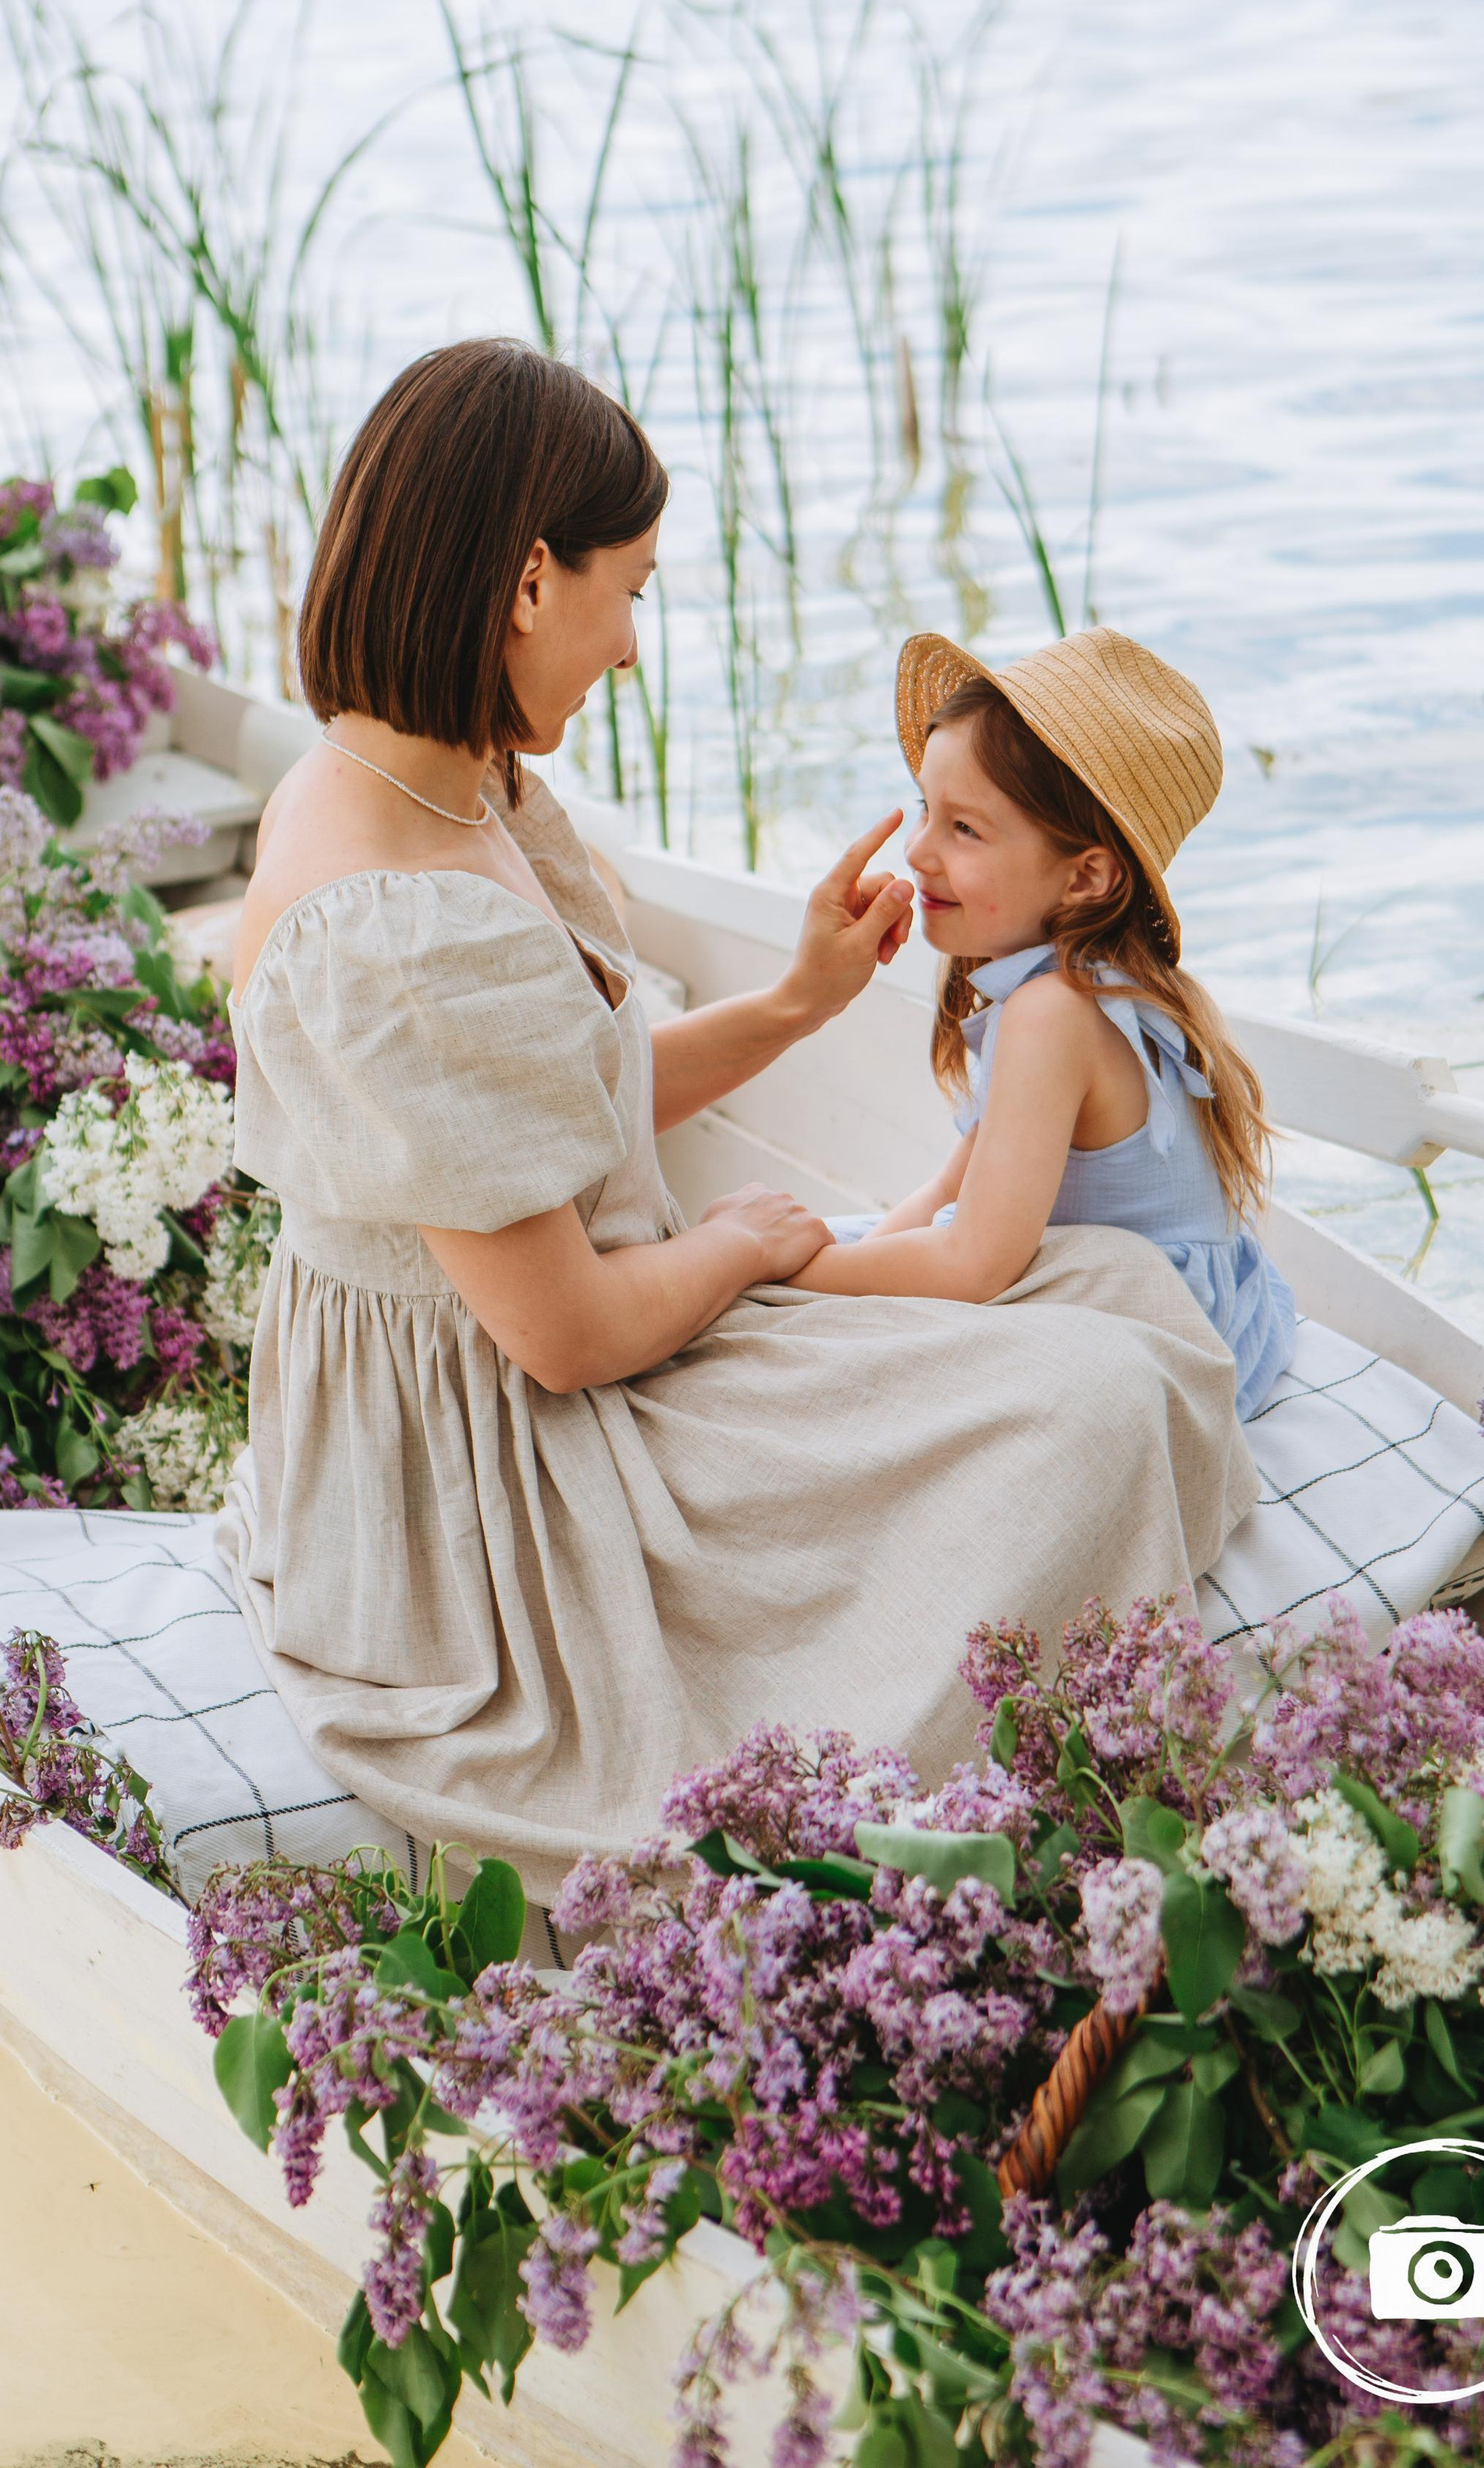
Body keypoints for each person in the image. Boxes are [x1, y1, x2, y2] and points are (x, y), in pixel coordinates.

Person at [217, 338, 1254, 1903]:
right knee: (1087, 1413)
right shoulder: (392, 912)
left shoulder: (438, 778)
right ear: (524, 583)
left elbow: (546, 1113)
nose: (630, 644)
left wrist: (794, 1002)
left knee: (1114, 1298)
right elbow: (563, 1337)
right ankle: (915, 1822)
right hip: (491, 1470)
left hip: (571, 1328)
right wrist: (744, 1245)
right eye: (626, 588)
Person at [792, 629, 1297, 1418]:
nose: (919, 851)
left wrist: (777, 1274)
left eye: (965, 829)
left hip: (1148, 1328)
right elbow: (944, 1192)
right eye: (928, 809)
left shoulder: (1050, 1014)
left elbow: (972, 1266)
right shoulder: (1101, 983)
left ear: (1088, 876)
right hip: (1219, 1311)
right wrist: (821, 1275)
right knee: (834, 1262)